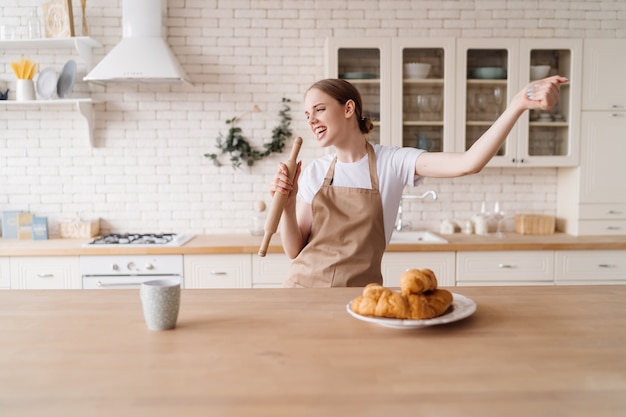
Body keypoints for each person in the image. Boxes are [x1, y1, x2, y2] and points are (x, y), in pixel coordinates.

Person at [271, 76, 567, 288]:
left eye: (319, 109)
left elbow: (469, 163)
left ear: (348, 109)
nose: (311, 120)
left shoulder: (393, 162)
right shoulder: (313, 172)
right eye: (308, 114)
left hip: (360, 297)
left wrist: (516, 105)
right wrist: (289, 201)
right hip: (302, 291)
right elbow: (294, 250)